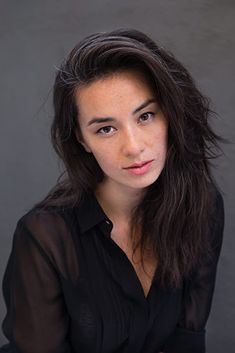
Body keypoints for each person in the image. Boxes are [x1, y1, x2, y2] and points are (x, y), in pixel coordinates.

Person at [1, 28, 225, 353]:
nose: (133, 147)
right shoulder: (45, 237)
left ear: (170, 115)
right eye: (106, 129)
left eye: (146, 116)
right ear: (82, 139)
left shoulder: (201, 207)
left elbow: (187, 340)